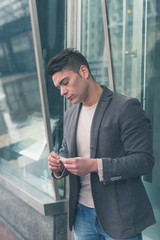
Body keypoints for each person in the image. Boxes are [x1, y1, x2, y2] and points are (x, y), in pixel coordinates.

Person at [47, 48, 155, 240]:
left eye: (65, 82)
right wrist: (58, 165)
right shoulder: (70, 114)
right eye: (58, 88)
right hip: (82, 215)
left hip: (120, 217)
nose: (63, 91)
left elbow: (143, 161)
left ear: (84, 72)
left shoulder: (126, 107)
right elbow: (66, 151)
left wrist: (95, 165)